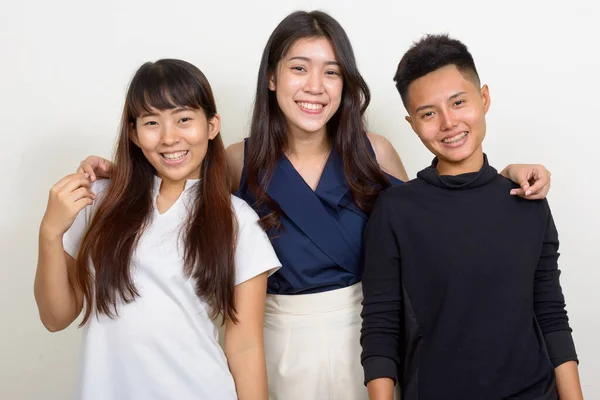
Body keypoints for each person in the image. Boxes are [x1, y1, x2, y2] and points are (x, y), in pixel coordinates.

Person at [76, 11, 553, 400]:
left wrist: (502, 176)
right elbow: (175, 180)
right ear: (271, 77)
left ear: (345, 83)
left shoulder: (377, 152)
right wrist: (119, 174)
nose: (315, 86)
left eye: (331, 72)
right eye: (299, 68)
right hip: (274, 348)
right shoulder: (235, 163)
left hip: (372, 348)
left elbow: (432, 223)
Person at [34, 59, 280, 400]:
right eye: (152, 122)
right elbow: (55, 317)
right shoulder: (101, 201)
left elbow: (246, 347)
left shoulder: (237, 220)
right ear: (134, 133)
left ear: (211, 125)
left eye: (183, 119)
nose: (169, 138)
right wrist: (50, 233)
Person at [360, 34, 582, 400]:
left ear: (484, 99)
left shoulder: (527, 199)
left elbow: (551, 313)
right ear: (412, 123)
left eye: (458, 102)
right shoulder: (396, 211)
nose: (448, 123)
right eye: (428, 113)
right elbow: (381, 330)